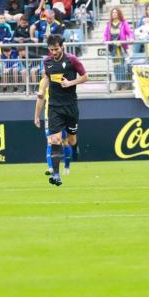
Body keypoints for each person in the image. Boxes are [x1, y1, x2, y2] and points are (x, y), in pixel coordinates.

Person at [34, 35, 89, 186]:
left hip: (70, 106)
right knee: (55, 140)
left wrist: (71, 82)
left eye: (56, 49)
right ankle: (57, 175)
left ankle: (75, 147)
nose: (54, 52)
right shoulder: (47, 61)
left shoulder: (72, 60)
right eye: (51, 50)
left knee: (71, 140)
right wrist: (42, 90)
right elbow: (46, 77)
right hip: (54, 107)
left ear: (62, 47)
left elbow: (85, 76)